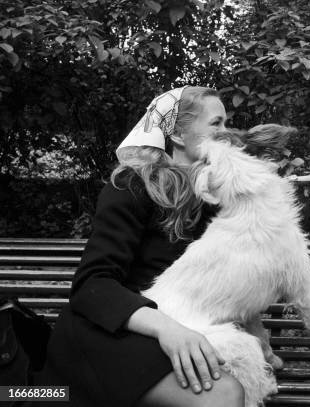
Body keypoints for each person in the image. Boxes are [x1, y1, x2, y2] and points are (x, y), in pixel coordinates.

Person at [37, 86, 245, 407]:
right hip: (110, 332)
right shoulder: (132, 185)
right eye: (216, 123)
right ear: (176, 134)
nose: (226, 132)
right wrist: (169, 330)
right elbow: (93, 284)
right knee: (224, 394)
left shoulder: (218, 197)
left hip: (178, 329)